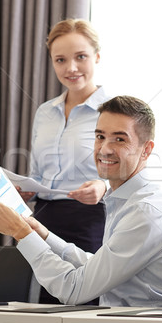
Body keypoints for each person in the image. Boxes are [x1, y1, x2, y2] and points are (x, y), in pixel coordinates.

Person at [0, 96, 162, 307]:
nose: (104, 149)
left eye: (119, 139)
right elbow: (95, 266)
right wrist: (42, 234)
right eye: (100, 136)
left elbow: (74, 290)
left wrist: (22, 233)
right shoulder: (124, 200)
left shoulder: (145, 212)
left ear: (146, 150)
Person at [20, 18, 110, 256]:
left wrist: (103, 186)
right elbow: (38, 173)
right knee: (34, 292)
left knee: (84, 291)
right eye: (61, 60)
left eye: (81, 57)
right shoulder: (44, 112)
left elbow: (133, 176)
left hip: (90, 221)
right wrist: (27, 190)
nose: (71, 68)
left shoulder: (112, 112)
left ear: (97, 57)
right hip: (41, 218)